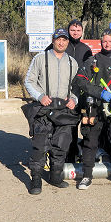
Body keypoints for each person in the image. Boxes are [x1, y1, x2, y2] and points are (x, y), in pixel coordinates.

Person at [73, 28, 111, 190]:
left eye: (110, 41)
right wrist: (100, 92)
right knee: (90, 141)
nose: (107, 44)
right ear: (100, 42)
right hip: (95, 107)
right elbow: (80, 81)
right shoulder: (92, 61)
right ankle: (86, 175)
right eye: (104, 41)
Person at [24, 28, 79, 195]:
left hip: (63, 111)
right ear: (53, 40)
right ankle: (36, 180)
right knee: (40, 146)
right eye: (58, 39)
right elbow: (29, 81)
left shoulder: (72, 63)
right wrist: (39, 96)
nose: (61, 42)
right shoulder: (40, 58)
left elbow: (76, 87)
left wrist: (74, 99)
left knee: (60, 146)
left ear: (67, 42)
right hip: (43, 109)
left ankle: (55, 177)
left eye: (64, 40)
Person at [46, 19, 93, 163]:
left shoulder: (86, 49)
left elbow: (90, 71)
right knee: (57, 126)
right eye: (73, 30)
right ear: (68, 31)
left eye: (78, 30)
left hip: (79, 94)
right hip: (60, 94)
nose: (75, 33)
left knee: (77, 127)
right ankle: (55, 160)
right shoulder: (58, 46)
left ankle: (73, 158)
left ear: (82, 32)